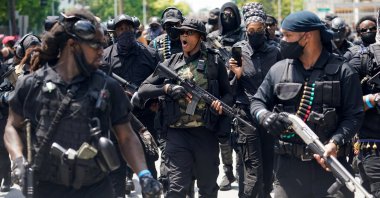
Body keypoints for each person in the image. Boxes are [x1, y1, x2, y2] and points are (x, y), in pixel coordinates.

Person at [3, 9, 161, 198]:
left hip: (96, 187)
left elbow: (125, 135)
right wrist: (18, 160)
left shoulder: (107, 85)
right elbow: (12, 125)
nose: (102, 52)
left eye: (103, 45)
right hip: (47, 187)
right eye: (95, 46)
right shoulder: (31, 84)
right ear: (73, 45)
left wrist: (144, 174)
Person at [251, 11, 364, 198]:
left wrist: (335, 142)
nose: (283, 41)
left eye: (288, 35)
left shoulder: (343, 71)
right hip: (288, 170)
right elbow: (257, 101)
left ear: (307, 36)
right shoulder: (279, 70)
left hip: (331, 167)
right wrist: (264, 115)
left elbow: (354, 115)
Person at [138, 18, 233, 198]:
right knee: (176, 188)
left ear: (200, 37)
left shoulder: (213, 62)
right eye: (182, 32)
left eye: (189, 33)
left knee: (208, 188)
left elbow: (228, 94)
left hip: (205, 133)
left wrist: (220, 105)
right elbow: (143, 89)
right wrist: (166, 88)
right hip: (177, 135)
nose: (184, 36)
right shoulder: (171, 62)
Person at [102, 13, 159, 197]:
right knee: (115, 170)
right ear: (114, 32)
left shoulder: (149, 53)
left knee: (148, 167)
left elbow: (161, 82)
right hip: (117, 120)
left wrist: (151, 99)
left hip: (144, 119)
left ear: (135, 29)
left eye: (128, 28)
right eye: (120, 28)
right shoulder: (106, 56)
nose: (125, 31)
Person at [229, 3, 282, 197]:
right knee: (253, 169)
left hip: (269, 115)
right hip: (246, 116)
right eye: (251, 30)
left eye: (259, 29)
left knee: (269, 167)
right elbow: (230, 90)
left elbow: (282, 82)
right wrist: (237, 74)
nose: (255, 33)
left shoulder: (275, 52)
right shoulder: (238, 51)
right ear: (246, 30)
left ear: (265, 29)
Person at [207, 2, 245, 191]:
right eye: (224, 14)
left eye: (231, 13)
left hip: (241, 90)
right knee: (223, 135)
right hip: (220, 92)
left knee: (241, 135)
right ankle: (227, 171)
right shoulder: (212, 38)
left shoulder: (244, 36)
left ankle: (242, 169)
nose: (227, 17)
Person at [348, 18, 380, 196]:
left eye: (373, 28)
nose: (370, 32)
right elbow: (347, 103)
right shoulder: (361, 59)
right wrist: (373, 99)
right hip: (373, 147)